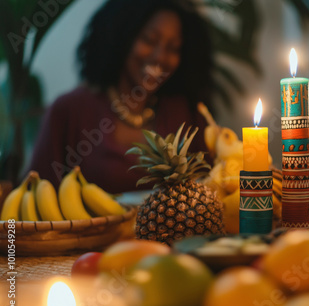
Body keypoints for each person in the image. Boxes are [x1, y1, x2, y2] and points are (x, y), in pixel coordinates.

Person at [28, 0, 214, 194]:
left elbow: (212, 182)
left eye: (173, 48)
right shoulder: (71, 109)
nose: (160, 57)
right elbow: (31, 199)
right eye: (149, 40)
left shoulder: (183, 111)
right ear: (120, 37)